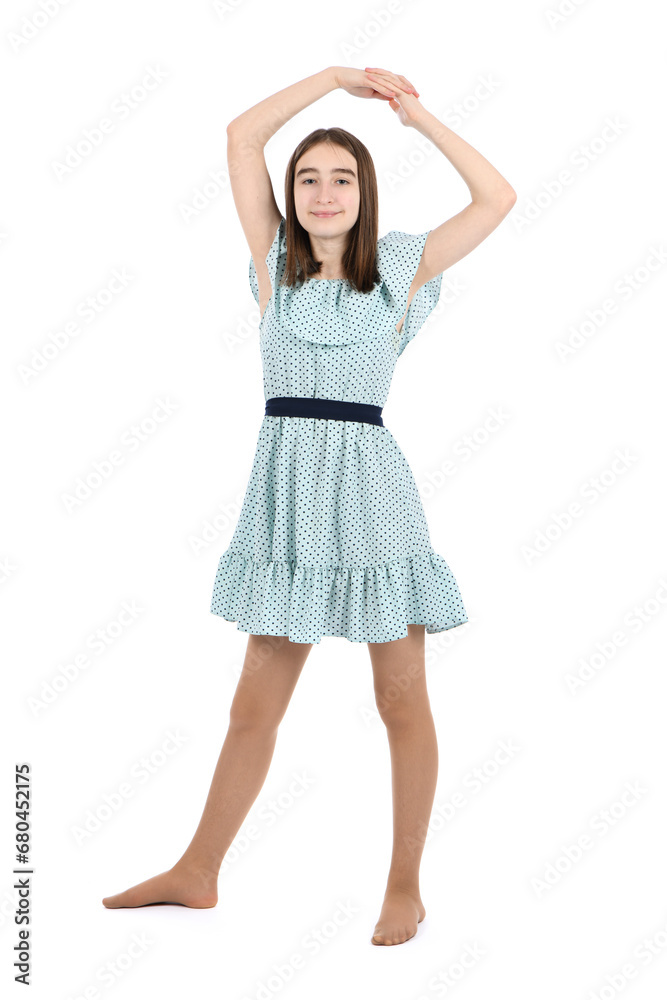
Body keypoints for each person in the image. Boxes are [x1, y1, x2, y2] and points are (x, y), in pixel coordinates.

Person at [102, 65, 516, 946]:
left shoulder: (401, 265)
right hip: (286, 504)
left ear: (364, 196)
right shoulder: (271, 265)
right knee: (252, 707)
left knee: (400, 702)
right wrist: (330, 79)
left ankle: (404, 884)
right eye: (308, 177)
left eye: (342, 179)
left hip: (371, 501)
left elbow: (496, 195)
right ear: (290, 195)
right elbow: (240, 137)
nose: (323, 192)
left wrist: (417, 118)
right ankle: (198, 870)